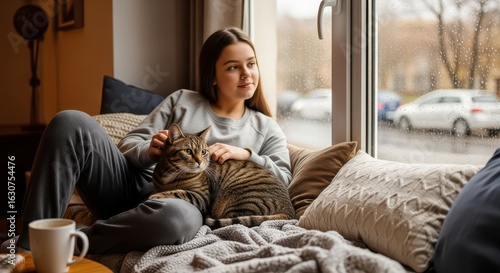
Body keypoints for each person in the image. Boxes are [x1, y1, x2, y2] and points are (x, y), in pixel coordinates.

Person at [7, 27, 292, 254]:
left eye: (251, 64)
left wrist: (246, 154)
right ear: (213, 75)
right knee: (69, 121)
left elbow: (284, 179)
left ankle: (74, 241)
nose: (247, 73)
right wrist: (150, 150)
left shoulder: (265, 127)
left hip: (182, 205)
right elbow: (129, 143)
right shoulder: (182, 100)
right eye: (233, 67)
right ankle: (29, 244)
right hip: (134, 186)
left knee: (175, 220)